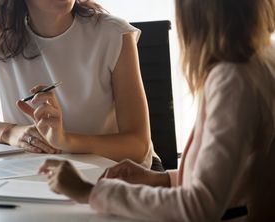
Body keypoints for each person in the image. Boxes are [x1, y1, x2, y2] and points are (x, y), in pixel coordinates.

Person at [38, 0, 275, 221]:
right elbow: (229, 180)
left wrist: (89, 192)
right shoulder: (263, 58)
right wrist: (161, 179)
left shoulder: (233, 80)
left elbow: (198, 207)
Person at [0, 0, 157, 167]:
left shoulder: (114, 34)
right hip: (39, 176)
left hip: (117, 176)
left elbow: (138, 147)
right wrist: (10, 133)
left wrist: (65, 141)